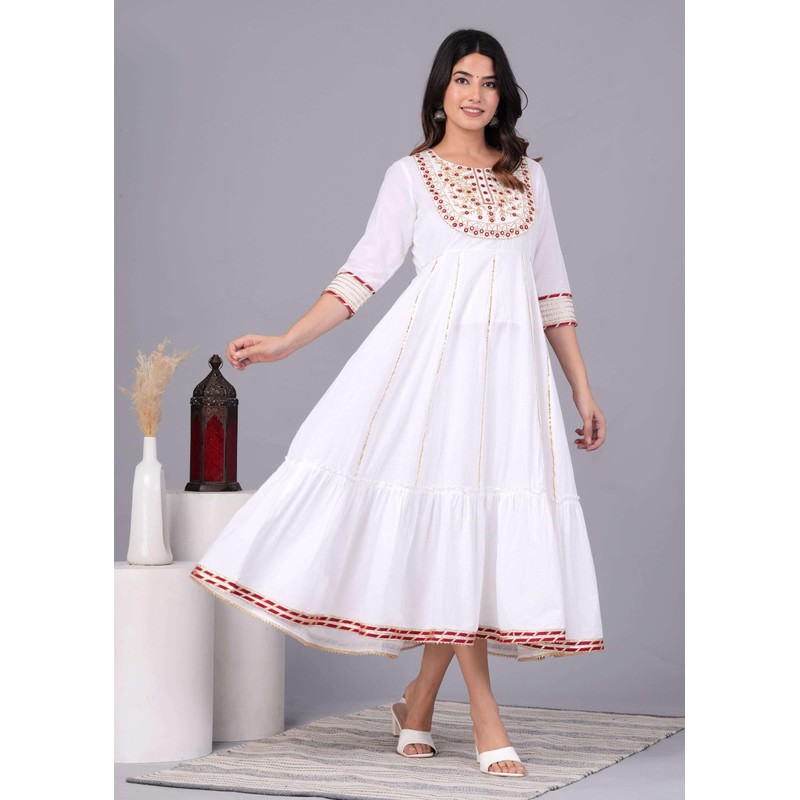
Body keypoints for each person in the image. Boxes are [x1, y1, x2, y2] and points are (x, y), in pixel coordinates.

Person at [192, 28, 606, 778]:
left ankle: (417, 703)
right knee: (455, 523)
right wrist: (287, 341)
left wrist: (580, 386)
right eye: (462, 79)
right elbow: (362, 274)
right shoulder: (410, 176)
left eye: (489, 82)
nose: (476, 94)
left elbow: (552, 289)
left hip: (512, 381)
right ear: (441, 90)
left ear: (503, 95)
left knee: (471, 532)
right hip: (431, 378)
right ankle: (485, 714)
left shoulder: (529, 179)